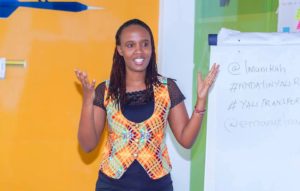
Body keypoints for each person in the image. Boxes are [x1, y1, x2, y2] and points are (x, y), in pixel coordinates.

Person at [74, 19, 219, 191]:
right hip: (111, 186)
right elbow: (87, 145)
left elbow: (186, 140)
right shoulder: (105, 90)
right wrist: (87, 101)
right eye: (130, 45)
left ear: (151, 47)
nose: (139, 51)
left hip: (158, 186)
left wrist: (201, 100)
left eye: (145, 44)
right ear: (119, 50)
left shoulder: (167, 88)